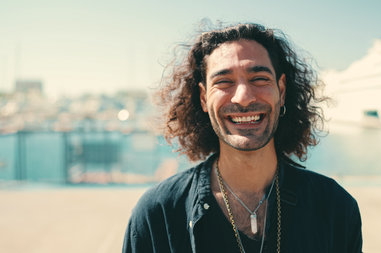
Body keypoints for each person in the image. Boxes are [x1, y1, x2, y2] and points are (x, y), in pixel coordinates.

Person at [123, 23, 363, 253]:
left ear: (281, 90)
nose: (243, 97)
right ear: (204, 98)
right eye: (224, 82)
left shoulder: (335, 207)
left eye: (259, 79)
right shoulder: (158, 214)